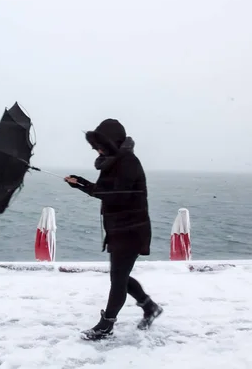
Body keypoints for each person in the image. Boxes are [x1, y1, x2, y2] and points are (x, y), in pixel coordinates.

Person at [64, 118, 163, 341]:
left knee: (118, 279)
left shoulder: (127, 162)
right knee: (120, 276)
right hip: (120, 228)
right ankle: (149, 307)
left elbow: (115, 195)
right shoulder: (113, 161)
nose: (96, 149)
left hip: (131, 230)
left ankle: (106, 325)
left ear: (111, 143)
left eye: (100, 144)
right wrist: (80, 183)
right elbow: (106, 191)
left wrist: (82, 186)